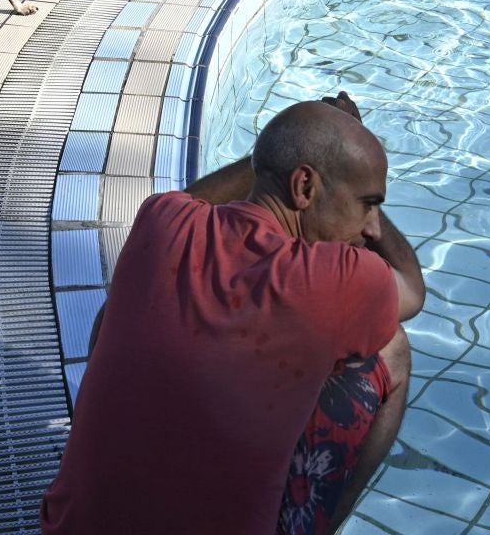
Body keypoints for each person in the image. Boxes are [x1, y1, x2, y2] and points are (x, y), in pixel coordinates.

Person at [40, 91, 424, 535]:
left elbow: (193, 199)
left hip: (70, 527)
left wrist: (272, 157)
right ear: (304, 188)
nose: (372, 227)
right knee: (391, 347)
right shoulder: (336, 279)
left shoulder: (160, 220)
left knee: (116, 308)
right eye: (368, 203)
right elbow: (412, 286)